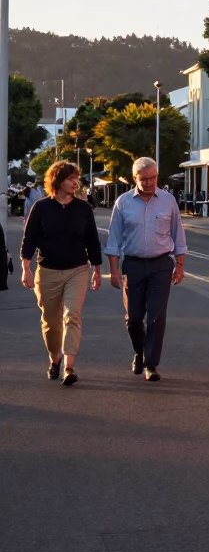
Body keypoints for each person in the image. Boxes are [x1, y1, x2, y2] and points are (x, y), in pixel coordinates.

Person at [19, 161, 103, 386]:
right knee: (50, 322)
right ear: (57, 181)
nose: (75, 182)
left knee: (72, 315)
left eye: (76, 178)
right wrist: (26, 268)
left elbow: (92, 240)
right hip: (47, 271)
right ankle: (54, 358)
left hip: (77, 269)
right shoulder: (41, 207)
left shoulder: (83, 208)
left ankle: (68, 366)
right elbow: (29, 240)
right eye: (69, 179)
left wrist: (97, 269)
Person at [105, 156, 187, 381]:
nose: (149, 183)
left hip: (161, 264)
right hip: (132, 265)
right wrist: (113, 271)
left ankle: (151, 364)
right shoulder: (123, 202)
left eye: (153, 178)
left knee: (156, 316)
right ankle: (139, 352)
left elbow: (178, 236)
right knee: (133, 318)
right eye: (144, 179)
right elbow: (113, 240)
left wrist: (179, 266)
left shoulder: (168, 201)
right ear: (135, 179)